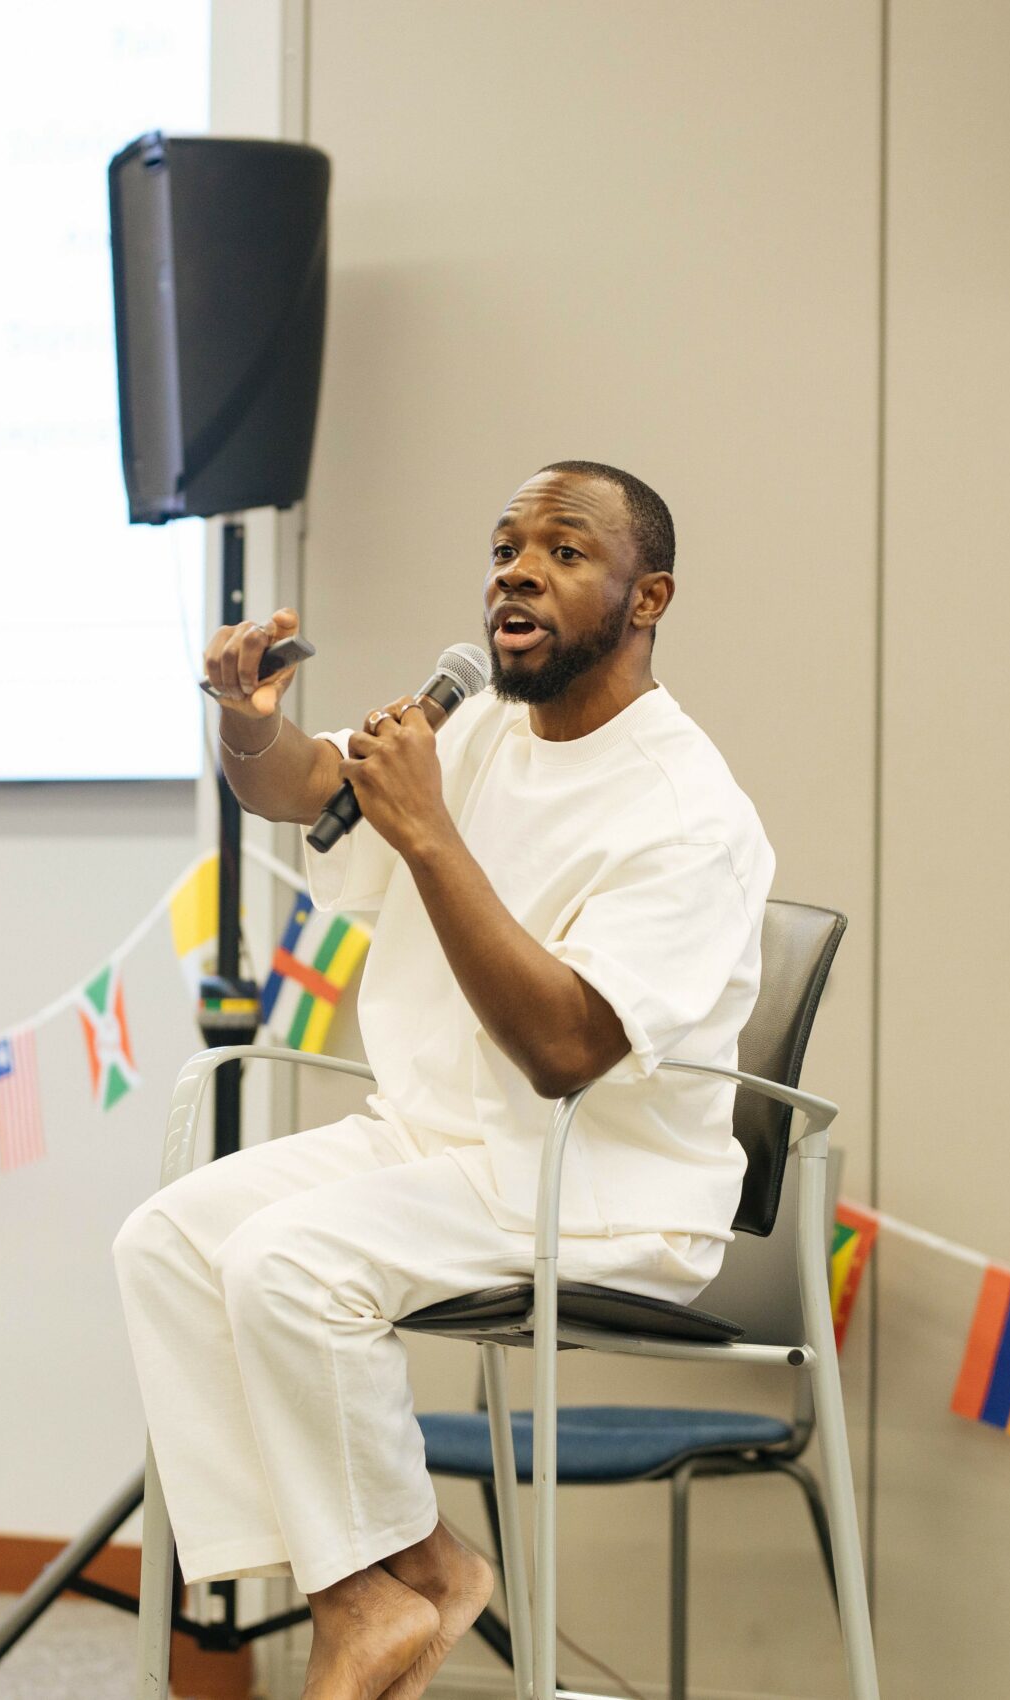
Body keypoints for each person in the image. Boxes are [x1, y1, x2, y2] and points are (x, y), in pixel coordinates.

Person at [115, 461, 774, 1699]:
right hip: (433, 1141)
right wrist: (249, 721)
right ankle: (386, 1580)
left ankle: (384, 1588)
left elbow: (565, 1051)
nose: (518, 571)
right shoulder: (475, 725)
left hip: (596, 1178)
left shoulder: (690, 813)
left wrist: (426, 830)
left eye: (565, 551)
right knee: (169, 1240)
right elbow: (305, 788)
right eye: (506, 546)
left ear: (649, 598)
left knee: (287, 1264)